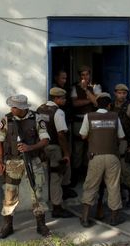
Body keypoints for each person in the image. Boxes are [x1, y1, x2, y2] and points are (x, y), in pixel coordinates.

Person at [0, 94, 51, 238]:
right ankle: (8, 225)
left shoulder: (36, 118)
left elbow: (45, 140)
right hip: (12, 162)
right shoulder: (6, 119)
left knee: (37, 193)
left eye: (14, 107)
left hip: (33, 161)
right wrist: (0, 162)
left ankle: (41, 224)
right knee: (9, 194)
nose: (11, 109)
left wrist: (30, 147)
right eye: (11, 106)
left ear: (22, 108)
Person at [79, 93, 125, 227]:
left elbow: (82, 135)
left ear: (96, 104)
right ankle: (114, 218)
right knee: (114, 187)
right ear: (109, 105)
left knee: (90, 186)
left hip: (95, 157)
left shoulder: (89, 116)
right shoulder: (115, 116)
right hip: (112, 156)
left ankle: (85, 218)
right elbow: (121, 136)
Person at [37, 87, 76, 218]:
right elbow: (61, 135)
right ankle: (57, 208)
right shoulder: (58, 112)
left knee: (56, 175)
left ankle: (64, 191)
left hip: (42, 147)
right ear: (56, 99)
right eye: (63, 98)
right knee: (56, 177)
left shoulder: (40, 109)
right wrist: (66, 153)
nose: (65, 100)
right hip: (54, 148)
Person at [70, 65, 102, 185]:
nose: (85, 77)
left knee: (91, 148)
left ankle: (89, 175)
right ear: (80, 76)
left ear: (90, 75)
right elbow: (75, 103)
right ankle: (76, 176)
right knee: (78, 149)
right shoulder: (74, 87)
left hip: (92, 122)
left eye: (87, 74)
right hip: (79, 121)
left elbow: (98, 103)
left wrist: (86, 91)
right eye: (82, 75)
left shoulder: (96, 86)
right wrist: (90, 100)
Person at [112, 84, 130, 208]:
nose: (122, 95)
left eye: (124, 93)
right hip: (114, 143)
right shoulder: (111, 106)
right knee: (114, 171)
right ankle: (120, 195)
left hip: (125, 142)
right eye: (119, 93)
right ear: (115, 93)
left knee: (126, 171)